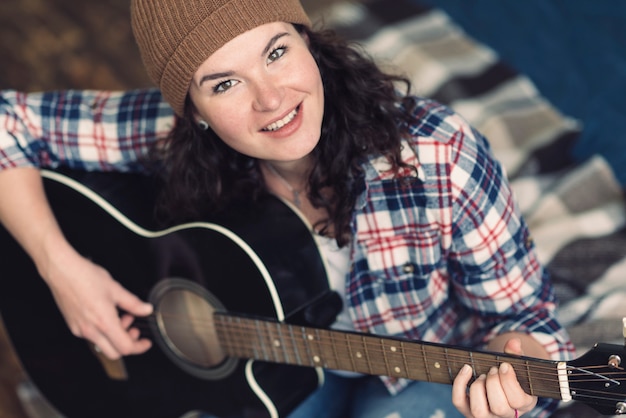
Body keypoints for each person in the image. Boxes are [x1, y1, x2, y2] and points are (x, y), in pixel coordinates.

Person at [0, 0, 574, 416]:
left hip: (420, 374)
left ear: (309, 43)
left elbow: (528, 321)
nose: (271, 99)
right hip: (275, 377)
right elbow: (7, 123)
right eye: (224, 84)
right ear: (193, 110)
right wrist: (63, 271)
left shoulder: (439, 156)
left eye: (276, 52)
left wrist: (513, 363)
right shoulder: (169, 135)